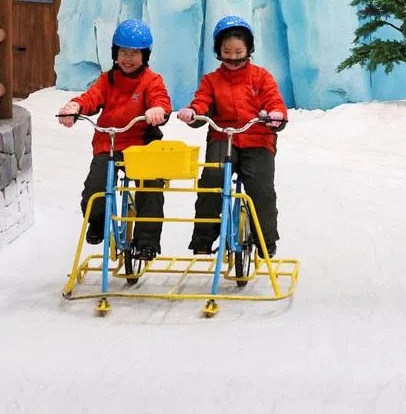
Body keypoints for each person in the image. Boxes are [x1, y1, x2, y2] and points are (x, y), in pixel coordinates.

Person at [58, 19, 171, 260]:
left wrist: (158, 109)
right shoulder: (107, 80)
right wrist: (75, 106)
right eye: (123, 52)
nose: (128, 59)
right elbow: (91, 97)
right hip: (109, 143)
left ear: (145, 55)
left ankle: (147, 241)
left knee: (150, 186)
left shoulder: (151, 80)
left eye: (134, 53)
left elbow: (160, 98)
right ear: (115, 53)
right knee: (96, 185)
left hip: (142, 144)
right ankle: (97, 221)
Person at [178, 15, 287, 256]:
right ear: (218, 51)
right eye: (227, 52)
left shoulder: (261, 77)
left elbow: (274, 100)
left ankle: (265, 239)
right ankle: (203, 237)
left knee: (260, 187)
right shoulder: (212, 80)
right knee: (212, 179)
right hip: (223, 138)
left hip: (258, 138)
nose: (233, 58)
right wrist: (194, 112)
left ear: (248, 49)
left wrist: (276, 115)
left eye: (238, 52)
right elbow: (202, 102)